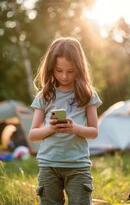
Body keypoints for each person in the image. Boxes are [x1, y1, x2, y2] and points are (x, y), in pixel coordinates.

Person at [29, 37, 102, 205]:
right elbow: (33, 135)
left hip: (78, 166)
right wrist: (51, 129)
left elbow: (94, 132)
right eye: (59, 70)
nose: (64, 76)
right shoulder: (45, 96)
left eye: (70, 71)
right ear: (50, 68)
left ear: (79, 68)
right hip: (49, 165)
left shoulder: (88, 95)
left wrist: (75, 128)